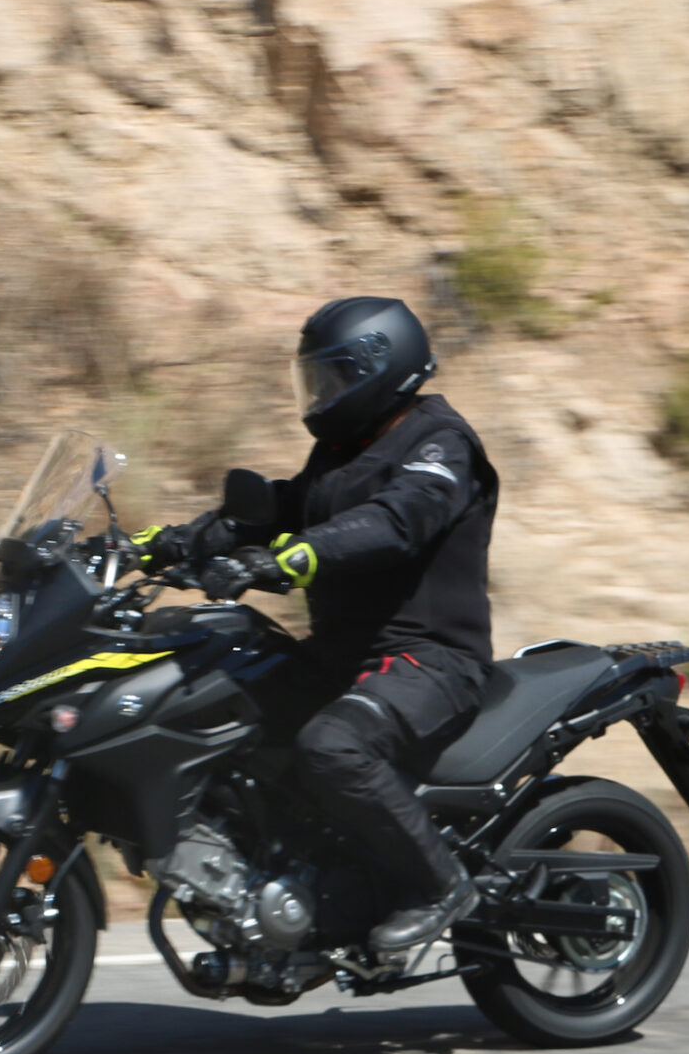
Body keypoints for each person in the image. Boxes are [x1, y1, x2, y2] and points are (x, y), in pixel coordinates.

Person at [136, 297, 499, 955]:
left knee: (333, 745)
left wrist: (298, 556)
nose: (320, 392)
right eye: (315, 377)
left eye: (333, 377)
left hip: (430, 661)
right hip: (345, 654)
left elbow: (396, 520)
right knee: (213, 687)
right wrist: (163, 543)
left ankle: (442, 885)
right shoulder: (340, 452)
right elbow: (274, 510)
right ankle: (282, 869)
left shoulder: (441, 444)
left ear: (378, 369)